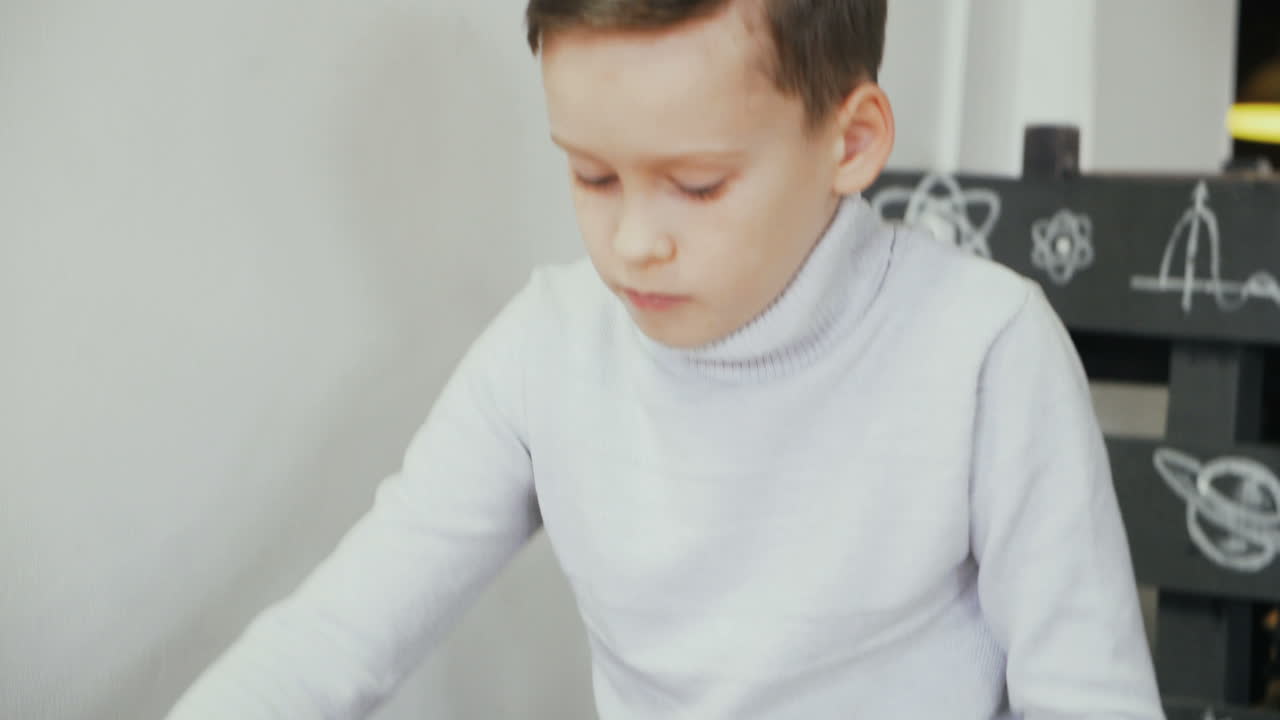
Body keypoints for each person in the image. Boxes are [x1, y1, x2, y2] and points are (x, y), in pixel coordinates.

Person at [167, 1, 1163, 717]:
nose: (632, 241)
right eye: (592, 175)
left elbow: (1086, 695)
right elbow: (334, 639)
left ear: (849, 141)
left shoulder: (982, 351)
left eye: (694, 184)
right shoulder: (543, 351)